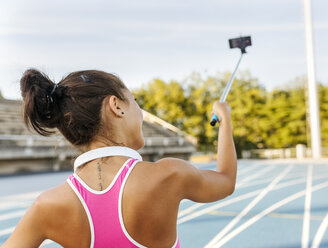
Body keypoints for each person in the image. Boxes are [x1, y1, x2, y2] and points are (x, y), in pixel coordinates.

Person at [2, 69, 237, 248]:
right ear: (116, 105)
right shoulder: (168, 174)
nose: (140, 112)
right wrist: (224, 121)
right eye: (134, 101)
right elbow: (225, 181)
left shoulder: (47, 205)